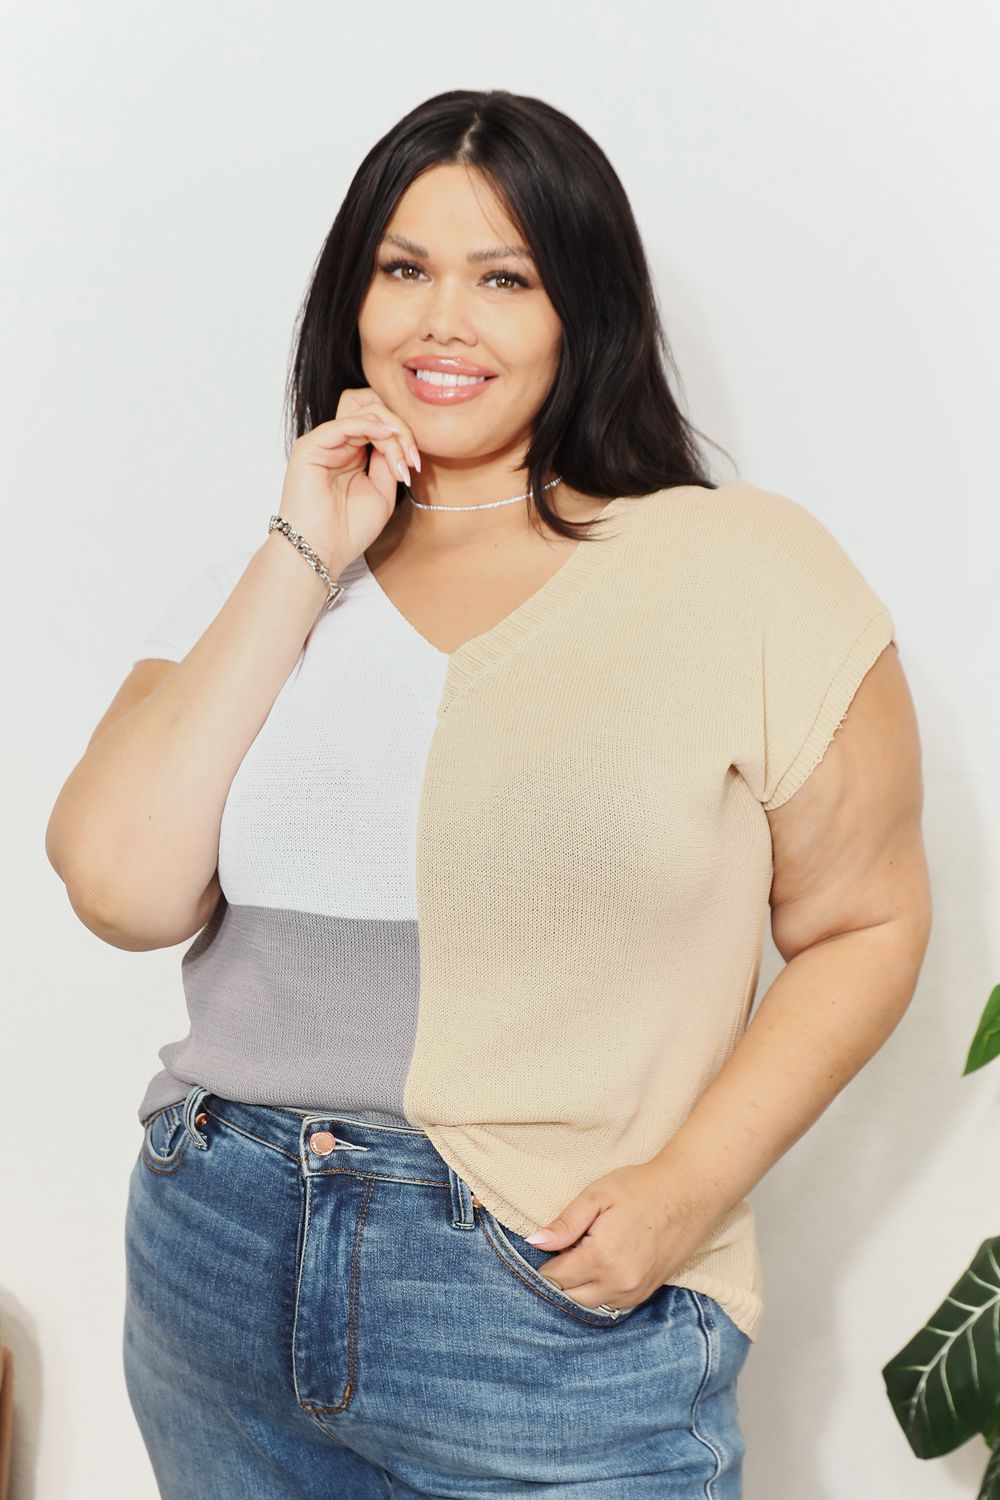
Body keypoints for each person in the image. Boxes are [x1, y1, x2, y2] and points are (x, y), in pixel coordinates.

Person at [45, 88, 931, 1498]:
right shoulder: (274, 577)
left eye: (503, 277)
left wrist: (685, 1191)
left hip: (543, 1292)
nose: (440, 322)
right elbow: (124, 888)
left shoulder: (743, 570)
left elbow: (868, 922)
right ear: (353, 302)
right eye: (404, 270)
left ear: (585, 311)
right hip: (219, 1248)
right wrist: (303, 549)